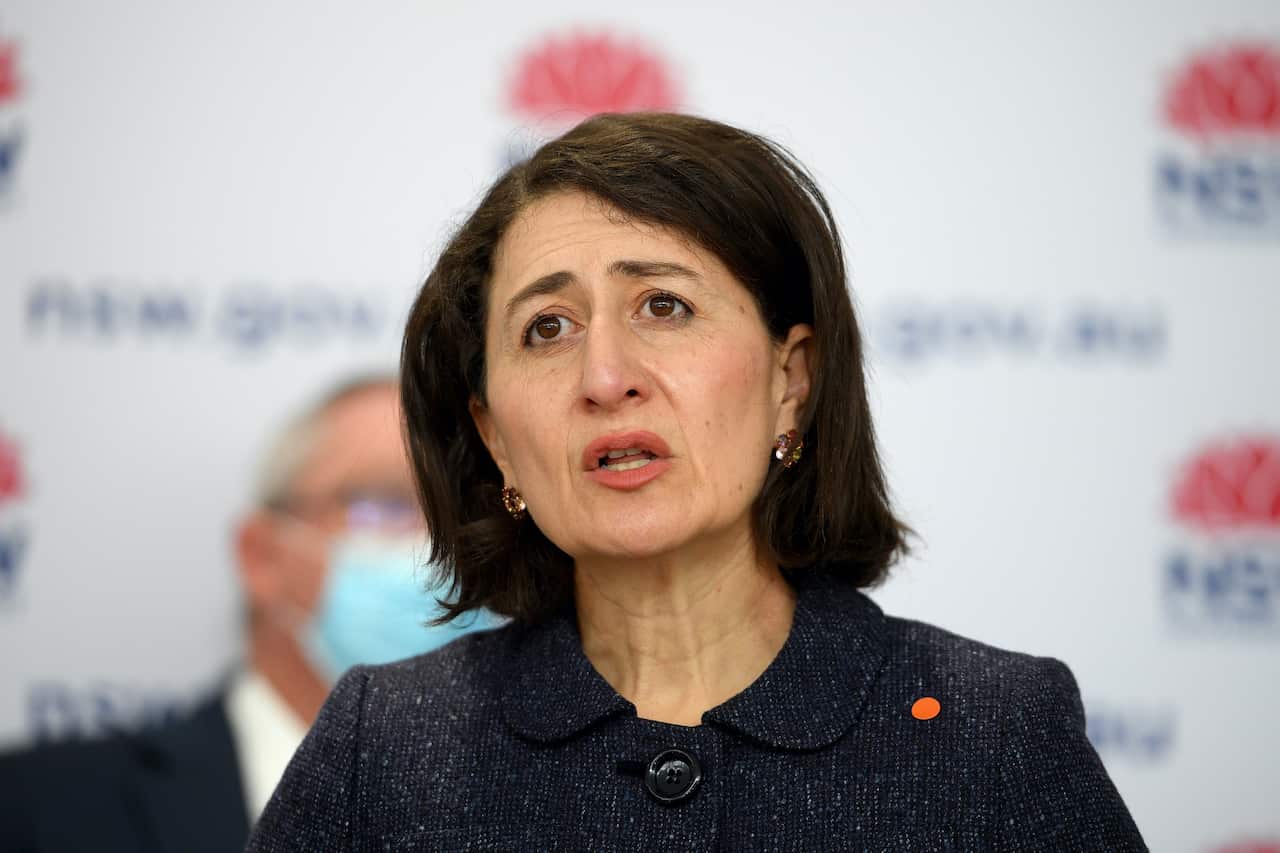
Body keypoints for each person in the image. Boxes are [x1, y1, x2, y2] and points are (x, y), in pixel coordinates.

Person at [246, 113, 1148, 851]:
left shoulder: (988, 733)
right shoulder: (387, 746)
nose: (606, 376)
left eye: (664, 306)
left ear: (789, 382)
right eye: (547, 328)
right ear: (497, 440)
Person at [0, 375, 497, 852]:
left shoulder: (549, 813)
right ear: (261, 556)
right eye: (387, 505)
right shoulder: (38, 809)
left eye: (469, 512)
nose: (442, 549)